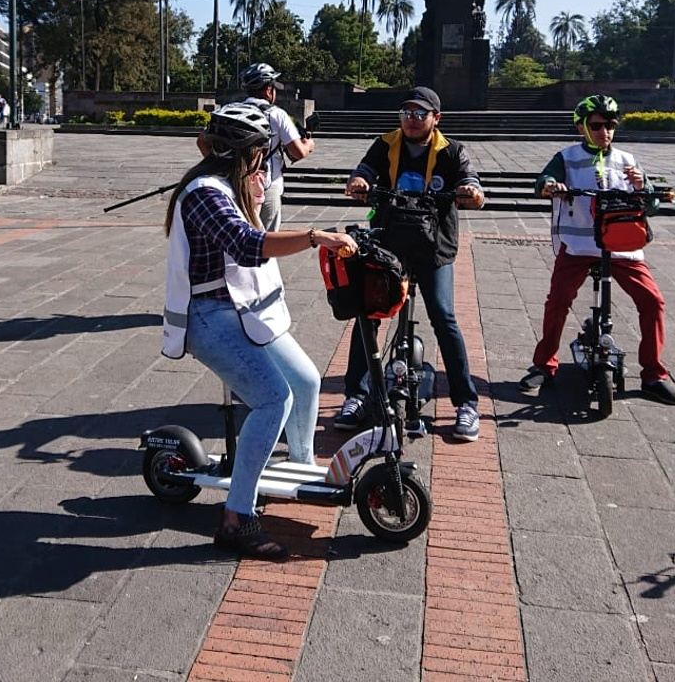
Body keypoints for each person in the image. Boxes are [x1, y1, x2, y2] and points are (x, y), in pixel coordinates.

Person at [163, 101, 357, 561]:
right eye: (259, 152)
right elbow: (248, 245)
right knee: (273, 400)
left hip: (245, 310)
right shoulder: (205, 194)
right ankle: (236, 518)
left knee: (305, 381)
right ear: (242, 152)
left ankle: (300, 468)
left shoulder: (232, 186)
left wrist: (253, 196)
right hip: (210, 317)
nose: (264, 161)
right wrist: (316, 237)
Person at [338, 86, 486, 441]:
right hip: (389, 243)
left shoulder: (452, 151)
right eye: (407, 112)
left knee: (443, 316)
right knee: (368, 313)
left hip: (434, 246)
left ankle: (466, 404)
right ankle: (356, 396)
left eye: (421, 114)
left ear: (436, 118)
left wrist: (471, 192)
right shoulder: (385, 143)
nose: (412, 120)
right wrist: (359, 181)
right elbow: (365, 170)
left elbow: (469, 179)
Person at [518, 94, 675, 406]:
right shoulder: (566, 158)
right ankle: (544, 365)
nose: (604, 132)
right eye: (596, 126)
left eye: (610, 125)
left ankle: (653, 374)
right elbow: (544, 180)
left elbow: (651, 204)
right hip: (579, 246)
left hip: (622, 247)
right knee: (558, 301)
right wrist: (551, 185)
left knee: (652, 302)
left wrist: (642, 187)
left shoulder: (627, 160)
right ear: (581, 127)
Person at [237, 63, 315, 231]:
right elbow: (298, 152)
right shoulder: (276, 114)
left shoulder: (232, 111)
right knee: (267, 239)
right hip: (267, 185)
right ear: (268, 90)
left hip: (236, 183)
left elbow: (202, 141)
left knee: (239, 233)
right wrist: (308, 145)